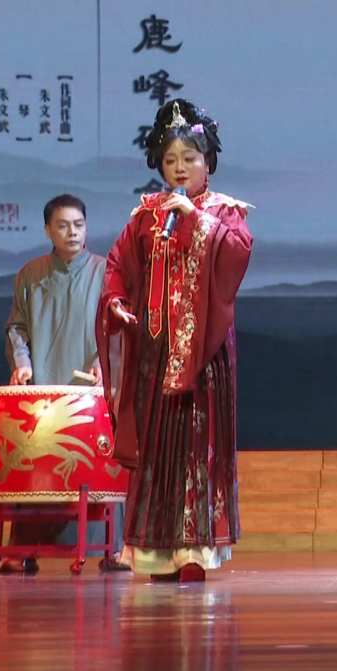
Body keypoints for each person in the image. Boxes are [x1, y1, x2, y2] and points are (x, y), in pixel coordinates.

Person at [97, 98, 253, 583]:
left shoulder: (224, 212)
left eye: (190, 158)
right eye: (170, 160)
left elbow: (237, 255)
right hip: (155, 352)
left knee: (196, 449)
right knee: (158, 450)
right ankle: (155, 553)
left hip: (204, 354)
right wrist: (115, 300)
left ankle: (194, 552)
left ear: (208, 162)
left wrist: (196, 220)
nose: (180, 168)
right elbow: (119, 264)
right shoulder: (146, 216)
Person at [2, 194, 130, 573]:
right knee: (36, 466)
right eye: (62, 225)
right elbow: (17, 327)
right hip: (44, 388)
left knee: (100, 466)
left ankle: (112, 550)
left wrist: (104, 362)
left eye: (78, 225)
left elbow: (118, 326)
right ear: (47, 230)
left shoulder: (106, 272)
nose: (72, 232)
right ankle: (23, 550)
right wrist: (22, 364)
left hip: (92, 390)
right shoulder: (31, 275)